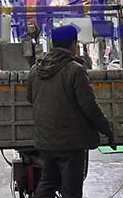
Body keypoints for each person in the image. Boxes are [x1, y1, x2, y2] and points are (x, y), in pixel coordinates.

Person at [26, 26, 115, 198]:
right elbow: (89, 106)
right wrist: (107, 129)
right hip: (71, 142)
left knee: (48, 182)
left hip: (45, 139)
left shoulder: (36, 70)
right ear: (73, 44)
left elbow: (31, 98)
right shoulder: (75, 70)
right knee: (71, 189)